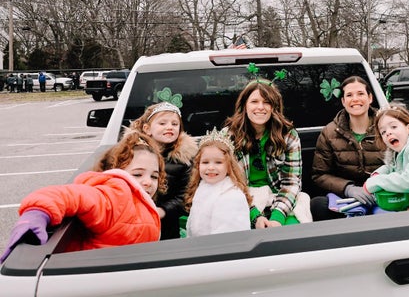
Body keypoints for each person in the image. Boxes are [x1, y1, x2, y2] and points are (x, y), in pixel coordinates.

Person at [0, 132, 163, 261]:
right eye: (138, 174)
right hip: (97, 282)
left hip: (121, 278)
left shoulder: (140, 200)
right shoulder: (115, 195)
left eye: (154, 176)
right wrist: (38, 212)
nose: (148, 182)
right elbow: (69, 195)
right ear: (117, 170)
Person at [224, 80, 311, 227]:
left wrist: (277, 217)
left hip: (280, 200)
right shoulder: (229, 137)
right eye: (254, 101)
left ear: (274, 107)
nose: (260, 107)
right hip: (241, 201)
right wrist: (255, 216)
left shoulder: (288, 136)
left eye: (267, 102)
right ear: (244, 105)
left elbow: (291, 183)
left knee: (293, 231)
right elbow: (229, 184)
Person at [310, 76, 384, 220]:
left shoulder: (387, 126)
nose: (355, 99)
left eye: (360, 94)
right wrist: (348, 189)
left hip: (383, 194)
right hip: (345, 198)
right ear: (343, 101)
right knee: (317, 205)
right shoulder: (329, 132)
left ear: (370, 98)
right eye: (349, 95)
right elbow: (319, 175)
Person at [130, 101, 198, 240]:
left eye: (174, 124)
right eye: (162, 123)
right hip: (133, 220)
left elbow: (185, 196)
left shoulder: (183, 160)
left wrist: (163, 210)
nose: (169, 127)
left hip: (167, 224)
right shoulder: (132, 154)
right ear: (147, 128)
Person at [184, 129, 251, 236]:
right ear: (198, 165)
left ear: (229, 166)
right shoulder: (202, 187)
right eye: (205, 162)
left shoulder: (231, 197)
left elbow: (226, 240)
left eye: (218, 162)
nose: (211, 167)